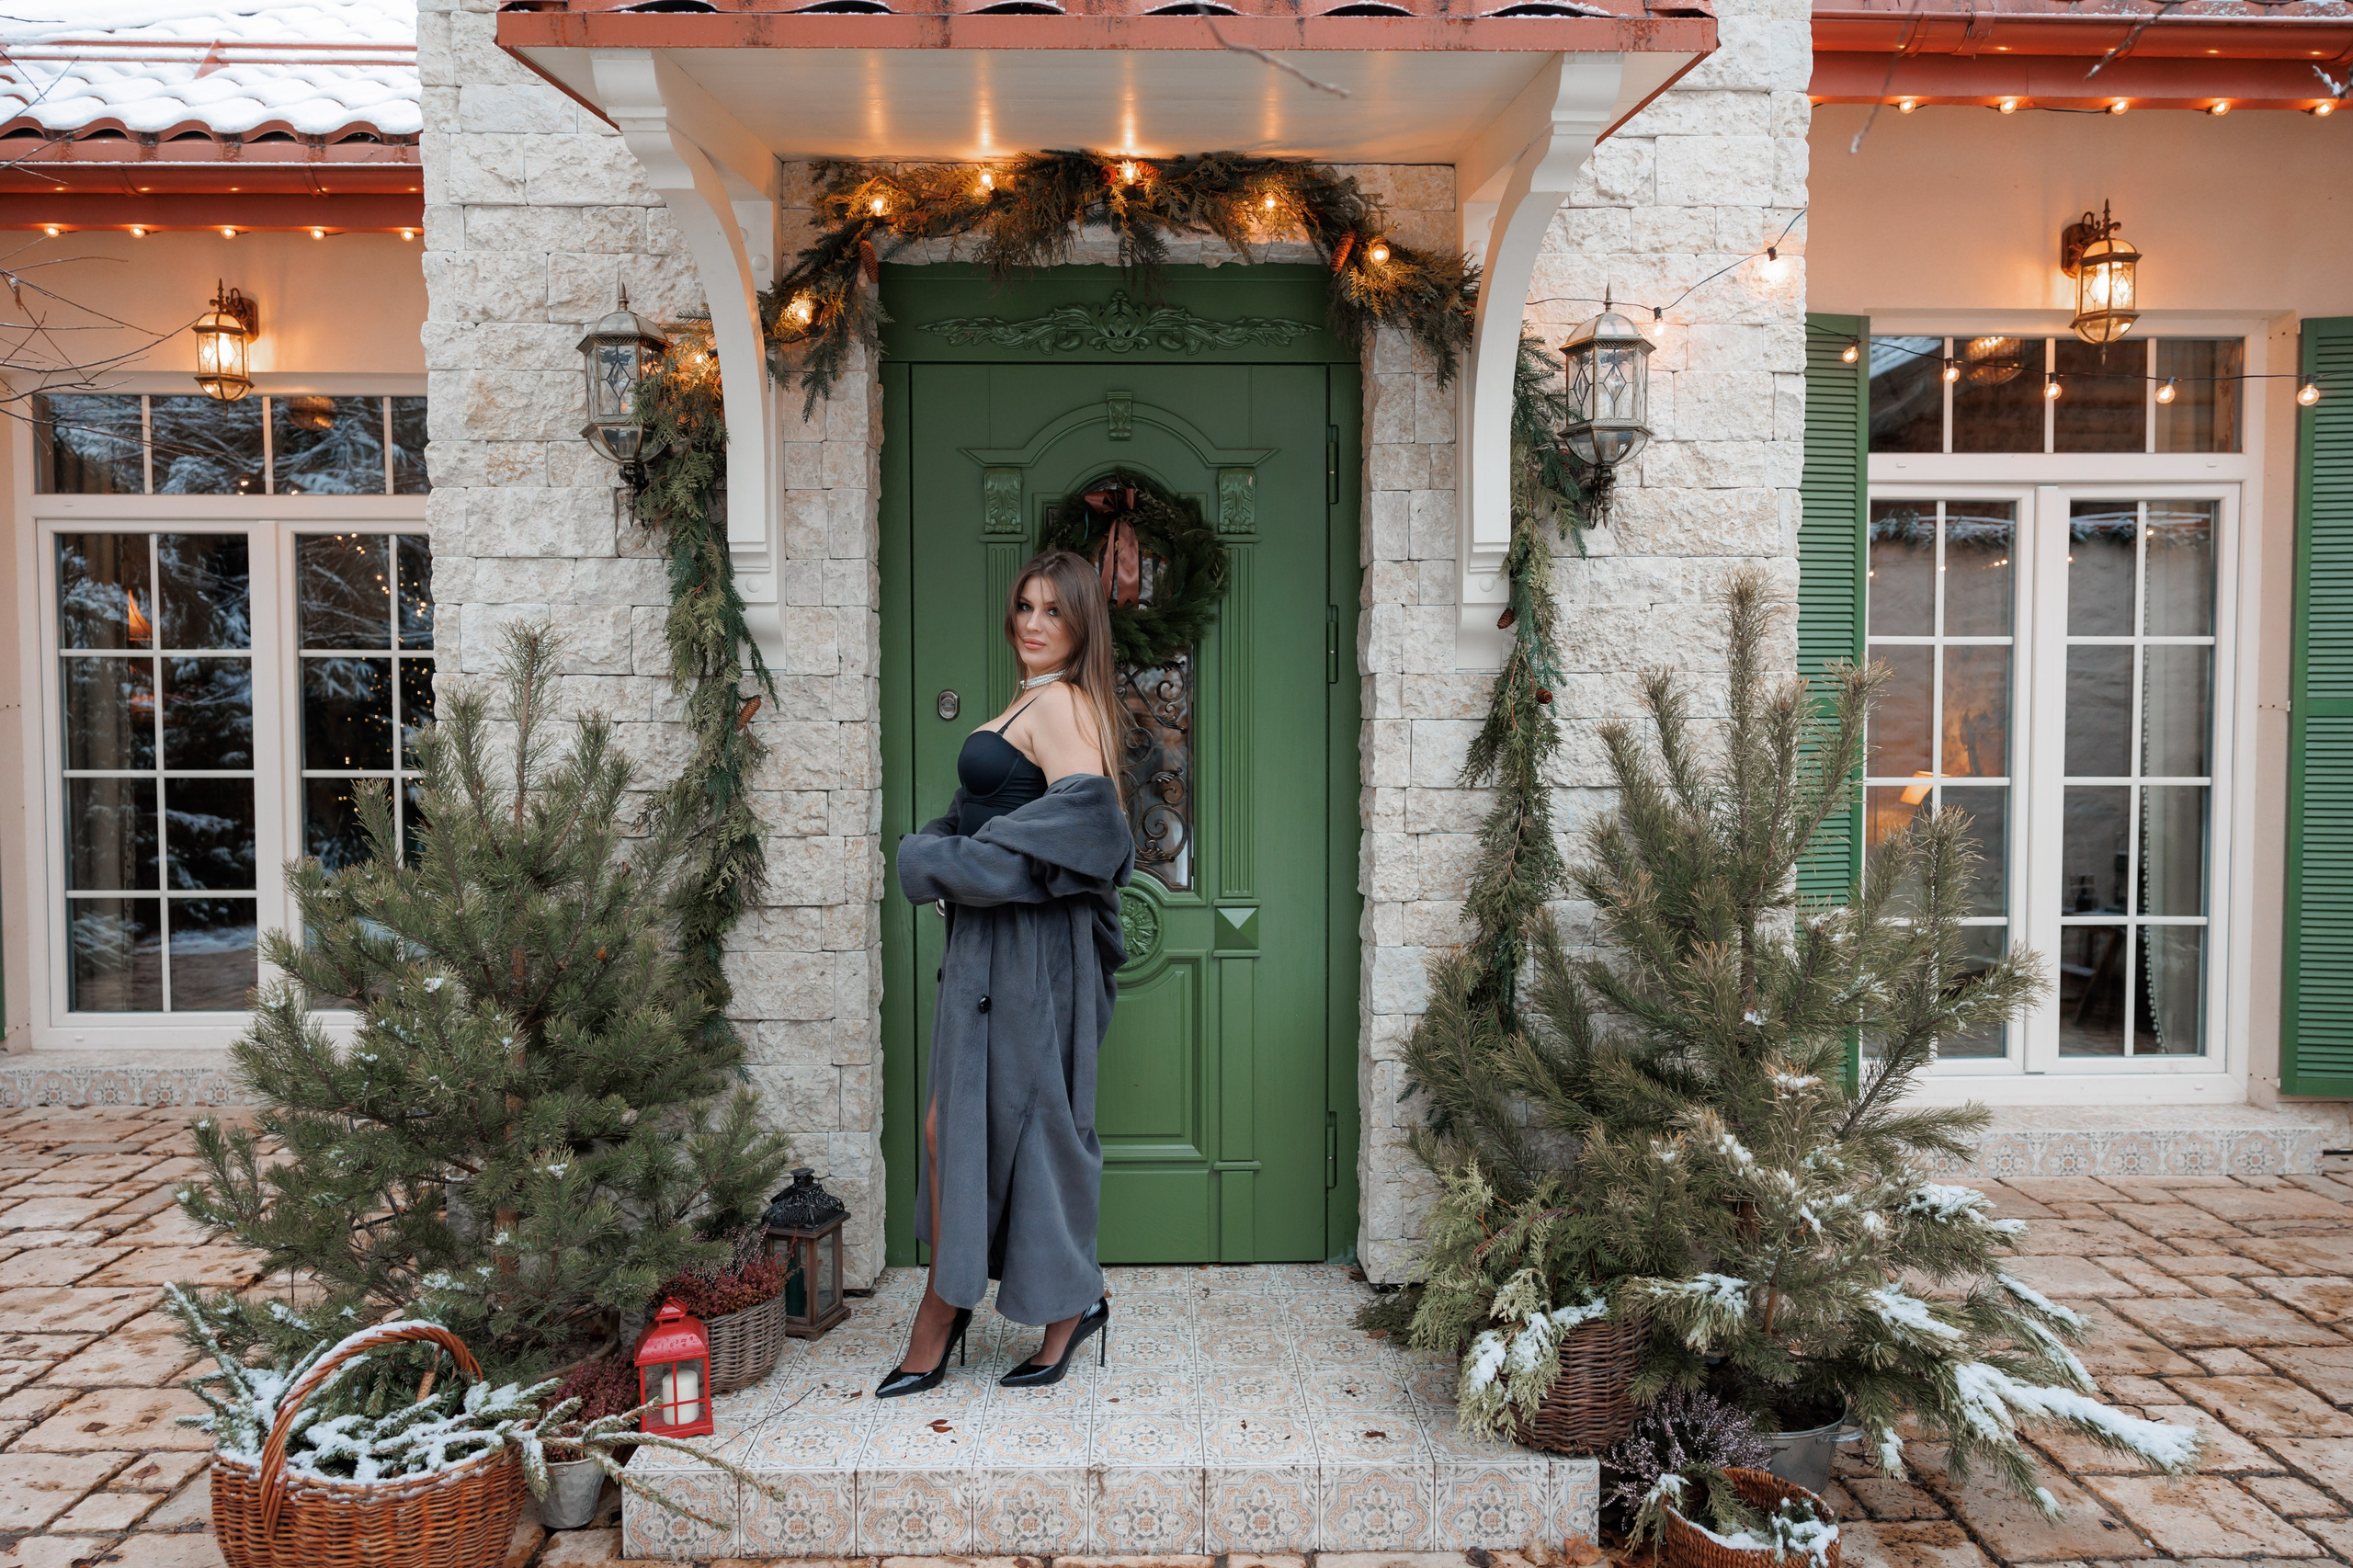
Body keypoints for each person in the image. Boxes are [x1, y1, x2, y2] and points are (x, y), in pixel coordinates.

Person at [881, 549, 1134, 1395]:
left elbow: (1089, 835)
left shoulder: (1060, 703)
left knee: (1029, 1126)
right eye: (1023, 607)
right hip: (990, 949)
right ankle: (1031, 1300)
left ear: (1080, 624)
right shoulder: (1031, 700)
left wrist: (947, 862)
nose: (1031, 623)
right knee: (960, 1126)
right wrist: (944, 844)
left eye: (1051, 611)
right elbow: (1007, 815)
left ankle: (976, 1313)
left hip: (1027, 950)